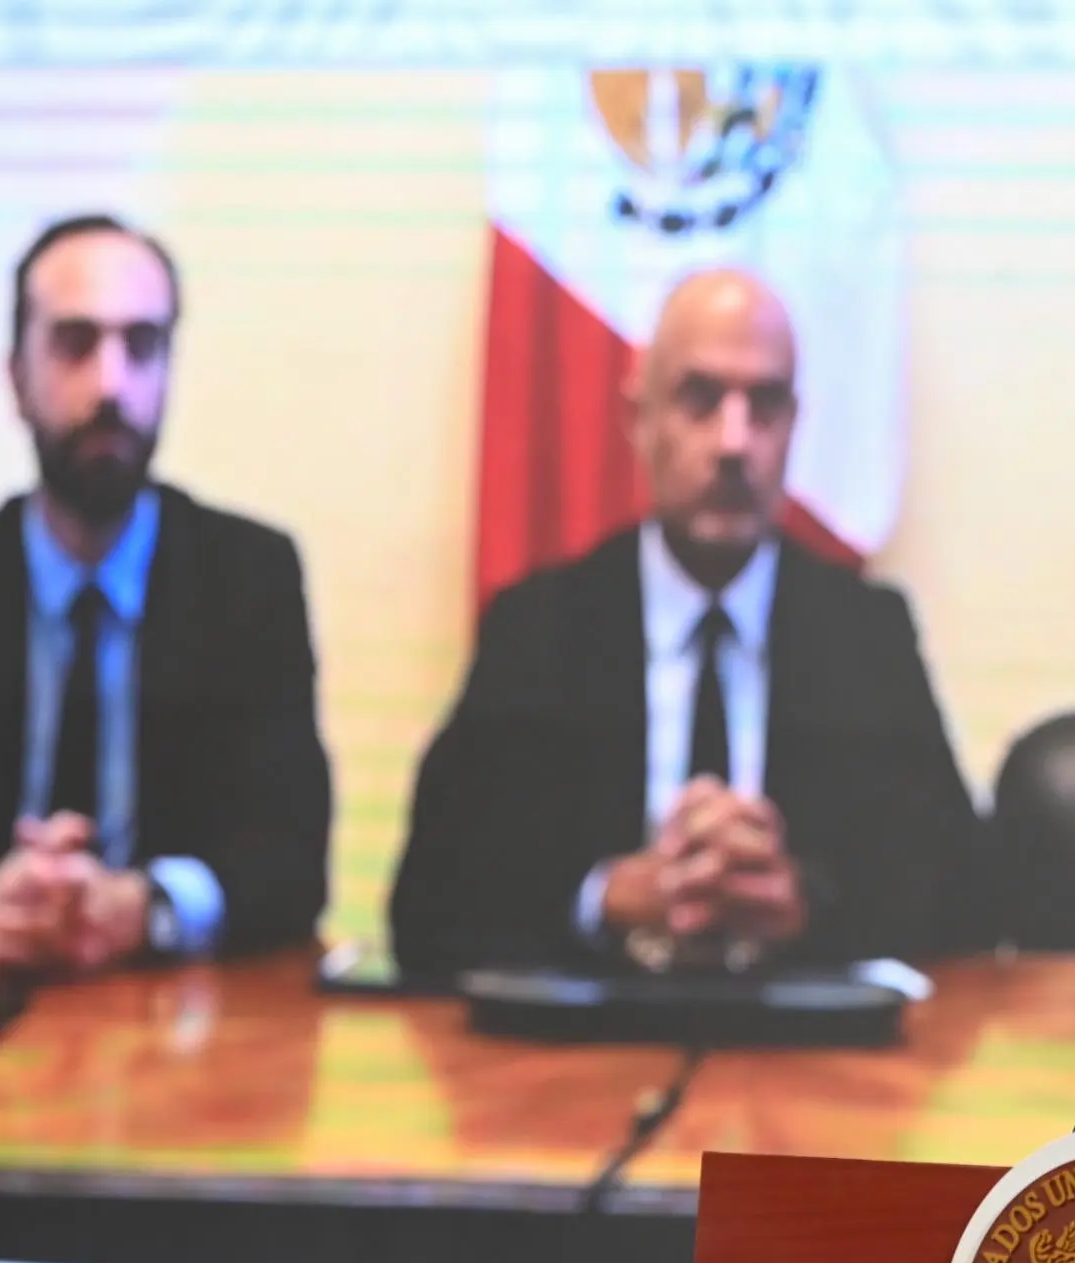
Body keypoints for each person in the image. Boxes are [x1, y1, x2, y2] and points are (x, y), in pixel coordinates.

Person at [388, 268, 979, 978]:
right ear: (638, 420)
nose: (734, 442)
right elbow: (429, 905)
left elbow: (965, 898)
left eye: (763, 405)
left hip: (801, 1063)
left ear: (794, 427)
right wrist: (605, 895)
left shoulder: (864, 634)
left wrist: (801, 901)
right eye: (700, 399)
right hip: (589, 1062)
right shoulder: (542, 627)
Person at [0, 213, 332, 969]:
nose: (112, 384)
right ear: (17, 378)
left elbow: (290, 863)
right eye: (75, 343)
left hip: (186, 1041)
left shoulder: (250, 578)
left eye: (143, 346)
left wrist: (149, 907)